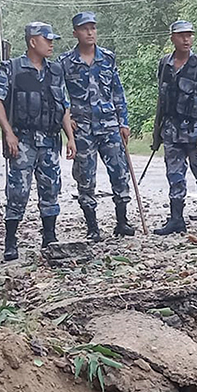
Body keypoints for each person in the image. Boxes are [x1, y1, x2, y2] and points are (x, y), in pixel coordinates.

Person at [0, 22, 76, 261]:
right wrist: (8, 132)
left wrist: (70, 137)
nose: (51, 44)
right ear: (32, 42)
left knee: (51, 190)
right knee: (18, 192)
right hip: (23, 139)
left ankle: (49, 237)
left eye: (52, 40)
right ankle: (10, 241)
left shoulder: (56, 70)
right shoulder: (12, 69)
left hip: (49, 140)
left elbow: (63, 106)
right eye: (46, 40)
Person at [60, 12, 134, 240]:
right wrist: (66, 120)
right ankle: (92, 227)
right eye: (84, 29)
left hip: (109, 126)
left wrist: (124, 122)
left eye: (93, 28)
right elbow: (59, 95)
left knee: (120, 174)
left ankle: (122, 222)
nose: (90, 32)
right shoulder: (65, 63)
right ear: (75, 33)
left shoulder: (108, 58)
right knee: (85, 178)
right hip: (82, 129)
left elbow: (117, 91)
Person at [153, 20, 197, 235]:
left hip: (195, 128)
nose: (186, 39)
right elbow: (161, 100)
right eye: (181, 35)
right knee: (175, 175)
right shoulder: (165, 64)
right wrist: (157, 131)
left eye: (189, 35)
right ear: (172, 38)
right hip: (171, 129)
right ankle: (176, 219)